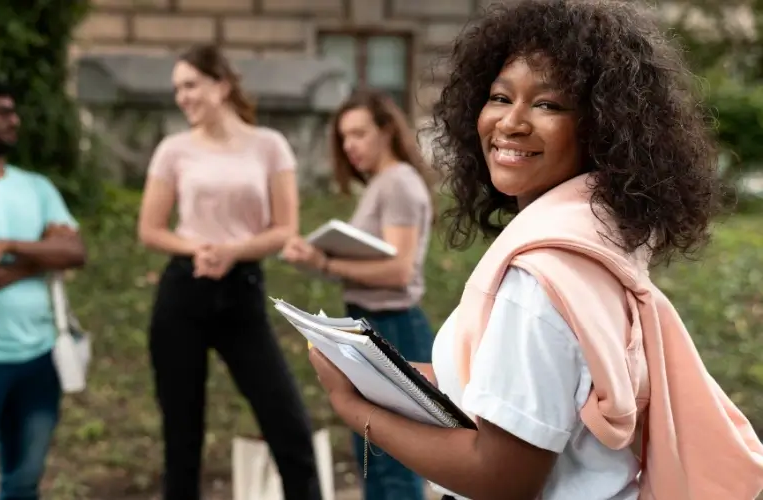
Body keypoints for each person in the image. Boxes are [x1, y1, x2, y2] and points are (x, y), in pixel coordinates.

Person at [301, 1, 763, 499]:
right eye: (500, 97)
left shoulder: (538, 278)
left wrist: (354, 408)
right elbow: (539, 392)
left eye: (548, 105)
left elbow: (502, 478)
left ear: (603, 127)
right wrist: (392, 376)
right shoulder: (598, 241)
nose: (511, 122)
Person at [137, 44, 321, 500]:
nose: (182, 97)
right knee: (182, 435)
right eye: (177, 88)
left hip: (242, 291)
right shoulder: (173, 150)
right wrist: (199, 248)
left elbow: (285, 228)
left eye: (190, 85)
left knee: (288, 424)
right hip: (184, 290)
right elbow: (150, 230)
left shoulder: (269, 146)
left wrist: (233, 251)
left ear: (220, 86)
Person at [282, 89, 435, 500]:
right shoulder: (381, 184)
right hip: (369, 324)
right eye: (344, 137)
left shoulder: (398, 183)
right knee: (373, 459)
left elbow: (400, 271)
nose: (349, 145)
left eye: (359, 133)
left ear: (387, 130)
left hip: (394, 328)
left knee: (394, 464)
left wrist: (324, 263)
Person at [0, 76, 87, 499]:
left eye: (14, 112)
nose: (13, 120)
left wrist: (6, 247)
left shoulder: (36, 187)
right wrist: (37, 262)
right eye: (0, 112)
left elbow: (74, 251)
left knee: (24, 482)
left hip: (38, 357)